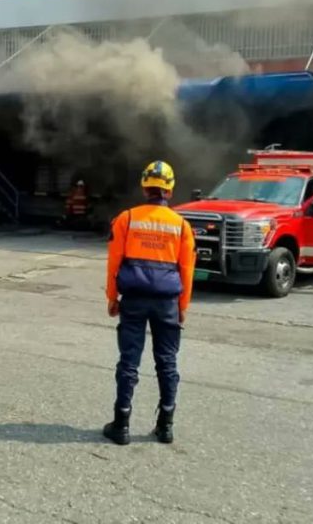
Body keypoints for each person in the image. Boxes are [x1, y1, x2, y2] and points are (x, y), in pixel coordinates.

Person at [103, 161, 196, 446]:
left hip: (133, 299)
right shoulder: (181, 225)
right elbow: (187, 270)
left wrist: (111, 297)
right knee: (167, 362)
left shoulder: (127, 218)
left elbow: (113, 263)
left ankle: (121, 424)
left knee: (129, 361)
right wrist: (183, 306)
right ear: (170, 188)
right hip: (167, 302)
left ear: (145, 186)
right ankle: (165, 425)